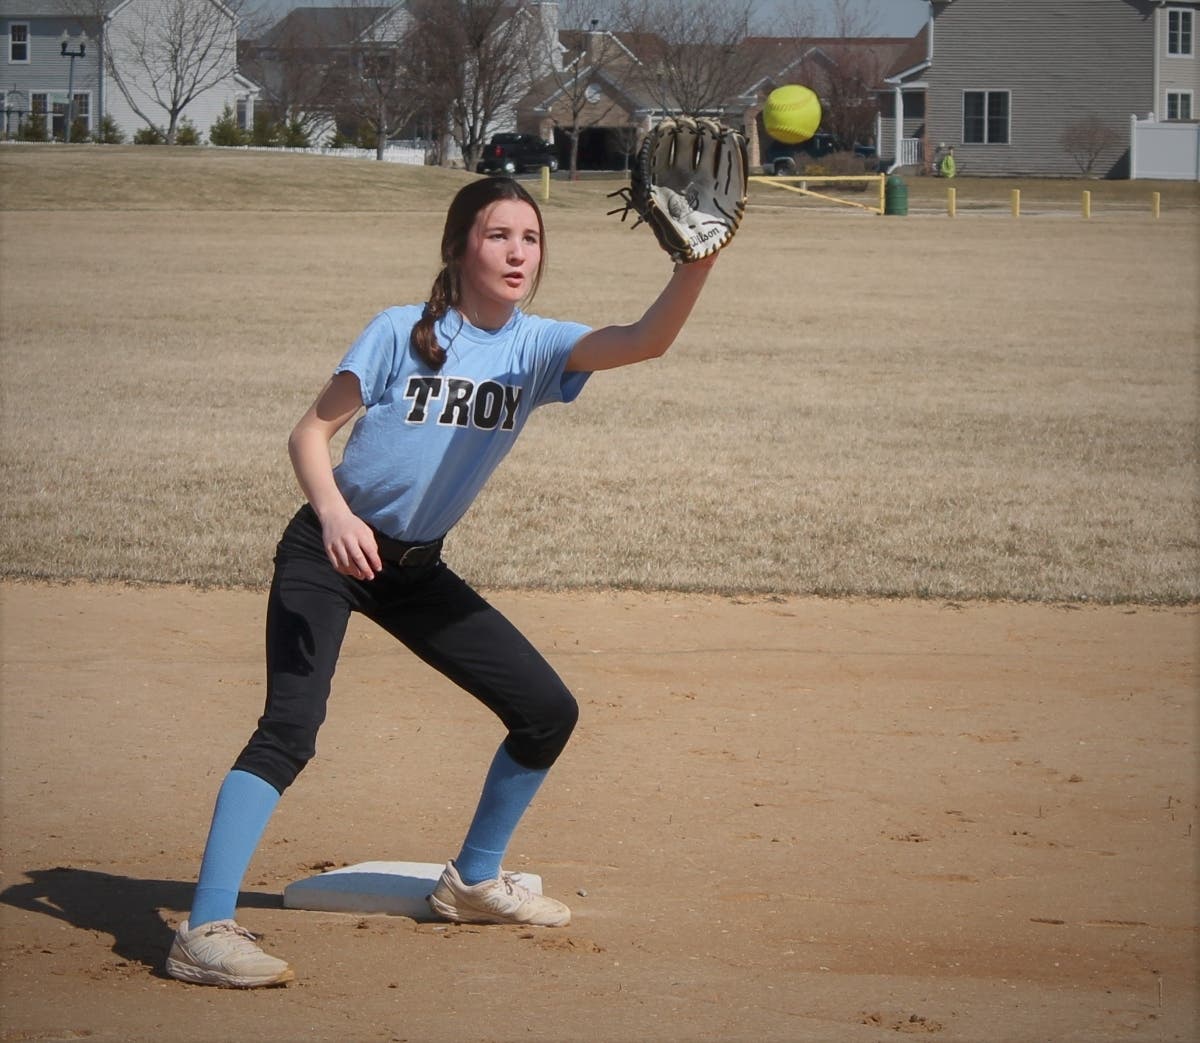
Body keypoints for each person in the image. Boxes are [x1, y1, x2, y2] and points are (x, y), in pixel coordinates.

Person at [165, 175, 721, 988]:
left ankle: (473, 883)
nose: (518, 253)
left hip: (415, 572)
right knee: (291, 727)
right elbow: (311, 432)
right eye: (499, 235)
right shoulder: (400, 331)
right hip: (329, 554)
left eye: (530, 239)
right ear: (459, 247)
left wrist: (698, 264)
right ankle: (204, 927)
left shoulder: (534, 347)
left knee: (545, 711)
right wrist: (332, 514)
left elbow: (644, 340)